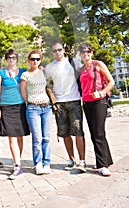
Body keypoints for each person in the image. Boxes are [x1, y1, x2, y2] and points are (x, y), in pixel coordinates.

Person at [45, 41, 86, 172]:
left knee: (78, 132)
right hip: (59, 104)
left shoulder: (73, 62)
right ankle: (71, 159)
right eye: (55, 51)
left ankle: (82, 161)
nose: (57, 52)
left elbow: (85, 74)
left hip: (74, 100)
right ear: (52, 52)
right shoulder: (49, 67)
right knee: (65, 133)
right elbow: (46, 83)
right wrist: (52, 99)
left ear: (64, 50)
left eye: (59, 50)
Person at [78, 43, 114, 177]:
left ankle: (102, 165)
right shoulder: (81, 69)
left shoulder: (98, 64)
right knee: (95, 133)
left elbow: (111, 82)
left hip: (99, 102)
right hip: (87, 103)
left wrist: (101, 92)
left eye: (87, 52)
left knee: (98, 133)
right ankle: (106, 159)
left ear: (91, 53)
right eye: (82, 52)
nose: (85, 54)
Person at [0, 49, 30, 180]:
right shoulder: (1, 73)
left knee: (20, 135)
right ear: (6, 59)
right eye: (9, 57)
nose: (11, 60)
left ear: (17, 59)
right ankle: (17, 165)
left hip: (20, 106)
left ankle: (18, 160)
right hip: (6, 107)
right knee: (12, 137)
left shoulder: (22, 72)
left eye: (14, 57)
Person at [21, 49, 52, 175]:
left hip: (46, 107)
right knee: (37, 138)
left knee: (46, 137)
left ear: (40, 60)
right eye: (32, 59)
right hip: (33, 108)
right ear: (29, 60)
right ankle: (38, 163)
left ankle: (47, 163)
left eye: (37, 59)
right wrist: (30, 101)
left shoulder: (43, 72)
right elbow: (23, 92)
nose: (35, 61)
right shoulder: (25, 75)